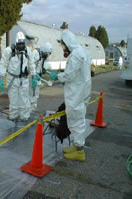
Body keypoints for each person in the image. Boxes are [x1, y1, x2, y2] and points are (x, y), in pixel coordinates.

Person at [50, 29, 92, 162]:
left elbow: (69, 75)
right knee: (76, 119)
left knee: (76, 121)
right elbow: (78, 73)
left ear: (68, 42)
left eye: (63, 44)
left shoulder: (76, 55)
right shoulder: (82, 52)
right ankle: (76, 145)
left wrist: (58, 76)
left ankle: (79, 152)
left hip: (77, 93)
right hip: (80, 90)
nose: (63, 47)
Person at [0, 31, 36, 121]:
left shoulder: (27, 51)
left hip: (24, 79)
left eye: (22, 44)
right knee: (13, 100)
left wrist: (34, 76)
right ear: (16, 43)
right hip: (12, 79)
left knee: (24, 99)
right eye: (19, 44)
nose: (21, 46)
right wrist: (1, 77)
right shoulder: (9, 51)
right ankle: (13, 117)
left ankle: (24, 117)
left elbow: (32, 64)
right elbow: (3, 64)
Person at [30, 42, 53, 112]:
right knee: (32, 94)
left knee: (36, 95)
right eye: (46, 54)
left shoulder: (42, 55)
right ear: (44, 50)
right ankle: (29, 110)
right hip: (32, 78)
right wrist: (35, 74)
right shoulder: (35, 53)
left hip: (37, 78)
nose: (47, 56)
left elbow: (40, 66)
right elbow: (30, 65)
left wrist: (47, 72)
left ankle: (33, 109)